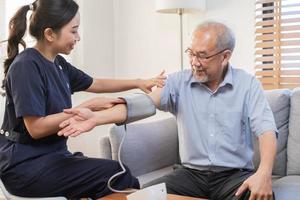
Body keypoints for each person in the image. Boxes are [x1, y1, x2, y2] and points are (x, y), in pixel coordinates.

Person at [58, 21, 278, 200]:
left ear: (225, 56)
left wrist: (264, 173)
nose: (194, 62)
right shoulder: (178, 82)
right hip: (190, 176)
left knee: (260, 197)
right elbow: (144, 104)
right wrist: (96, 118)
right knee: (139, 197)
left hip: (234, 177)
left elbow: (266, 130)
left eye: (202, 55)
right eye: (191, 53)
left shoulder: (248, 84)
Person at [0, 0, 166, 199]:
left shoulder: (59, 64)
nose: (78, 37)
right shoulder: (26, 66)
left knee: (117, 177)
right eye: (74, 31)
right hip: (25, 166)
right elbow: (36, 128)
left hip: (53, 157)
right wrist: (86, 107)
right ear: (49, 34)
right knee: (117, 176)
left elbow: (96, 83)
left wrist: (139, 82)